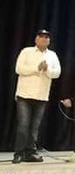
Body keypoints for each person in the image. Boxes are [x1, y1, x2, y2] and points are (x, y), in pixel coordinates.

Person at [13, 29, 61, 164]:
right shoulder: (26, 51)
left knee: (34, 127)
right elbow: (18, 69)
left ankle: (30, 152)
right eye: (41, 37)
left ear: (49, 41)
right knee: (23, 125)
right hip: (24, 94)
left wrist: (47, 70)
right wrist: (37, 68)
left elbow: (57, 73)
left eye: (46, 37)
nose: (44, 39)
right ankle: (18, 153)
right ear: (36, 39)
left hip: (41, 96)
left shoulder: (52, 55)